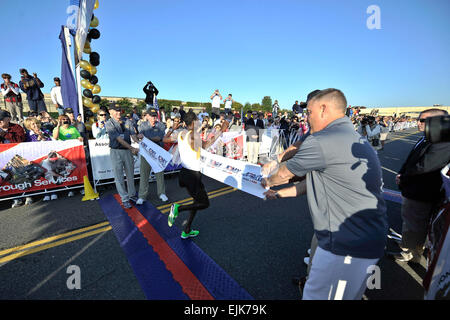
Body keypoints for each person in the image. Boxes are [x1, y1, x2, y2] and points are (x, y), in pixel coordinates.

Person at [262, 88, 388, 300]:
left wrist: (265, 181)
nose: (306, 117)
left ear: (323, 109)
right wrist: (280, 194)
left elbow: (283, 173)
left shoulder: (323, 139)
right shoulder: (351, 136)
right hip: (364, 240)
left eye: (309, 112)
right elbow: (314, 182)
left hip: (345, 245)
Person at [393, 109, 450, 263]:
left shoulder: (443, 142)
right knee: (410, 221)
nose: (418, 123)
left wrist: (404, 177)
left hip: (421, 191)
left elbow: (425, 166)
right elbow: (411, 160)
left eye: (423, 120)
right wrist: (401, 173)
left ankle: (412, 253)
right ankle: (409, 243)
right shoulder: (427, 137)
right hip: (412, 187)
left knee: (415, 223)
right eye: (419, 119)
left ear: (438, 122)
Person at [167, 112, 227, 239]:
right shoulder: (193, 135)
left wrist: (173, 129)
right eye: (197, 120)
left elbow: (165, 139)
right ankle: (178, 208)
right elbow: (205, 146)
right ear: (193, 122)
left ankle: (187, 229)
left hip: (184, 173)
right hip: (192, 175)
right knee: (205, 203)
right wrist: (221, 130)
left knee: (196, 201)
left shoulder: (181, 133)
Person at [105, 104, 139, 209]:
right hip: (116, 151)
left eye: (119, 110)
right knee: (119, 176)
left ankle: (132, 195)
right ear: (110, 111)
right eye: (116, 110)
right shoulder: (109, 123)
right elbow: (119, 139)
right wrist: (132, 148)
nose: (118, 112)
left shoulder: (127, 121)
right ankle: (124, 199)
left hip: (127, 151)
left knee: (130, 174)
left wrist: (140, 142)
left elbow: (133, 135)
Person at [136, 108, 169, 204]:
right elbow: (141, 139)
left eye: (155, 116)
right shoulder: (142, 125)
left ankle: (162, 193)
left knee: (159, 174)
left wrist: (146, 138)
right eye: (151, 116)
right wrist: (148, 139)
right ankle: (142, 196)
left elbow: (159, 138)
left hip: (157, 153)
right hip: (146, 153)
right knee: (144, 175)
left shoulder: (161, 125)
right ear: (147, 116)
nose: (153, 118)